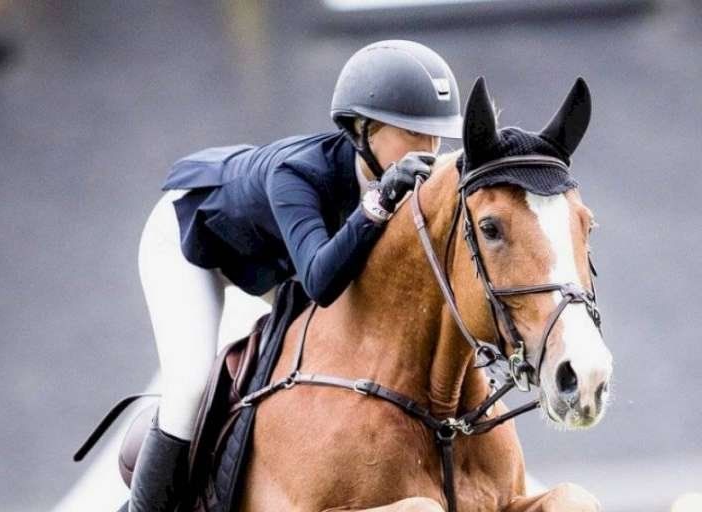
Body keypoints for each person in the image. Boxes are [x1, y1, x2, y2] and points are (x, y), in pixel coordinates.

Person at [125, 40, 463, 511]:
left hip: (275, 258)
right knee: (190, 384)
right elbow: (321, 282)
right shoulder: (297, 175)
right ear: (362, 129)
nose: (427, 151)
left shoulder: (396, 180)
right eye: (411, 132)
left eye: (437, 137)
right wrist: (380, 202)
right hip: (191, 243)